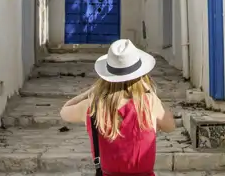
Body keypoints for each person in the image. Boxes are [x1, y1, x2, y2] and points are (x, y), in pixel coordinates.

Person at [60, 39, 176, 176]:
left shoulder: (93, 105)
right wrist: (150, 92)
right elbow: (170, 126)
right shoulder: (149, 103)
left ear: (106, 76)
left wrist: (91, 92)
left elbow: (64, 111)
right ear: (141, 75)